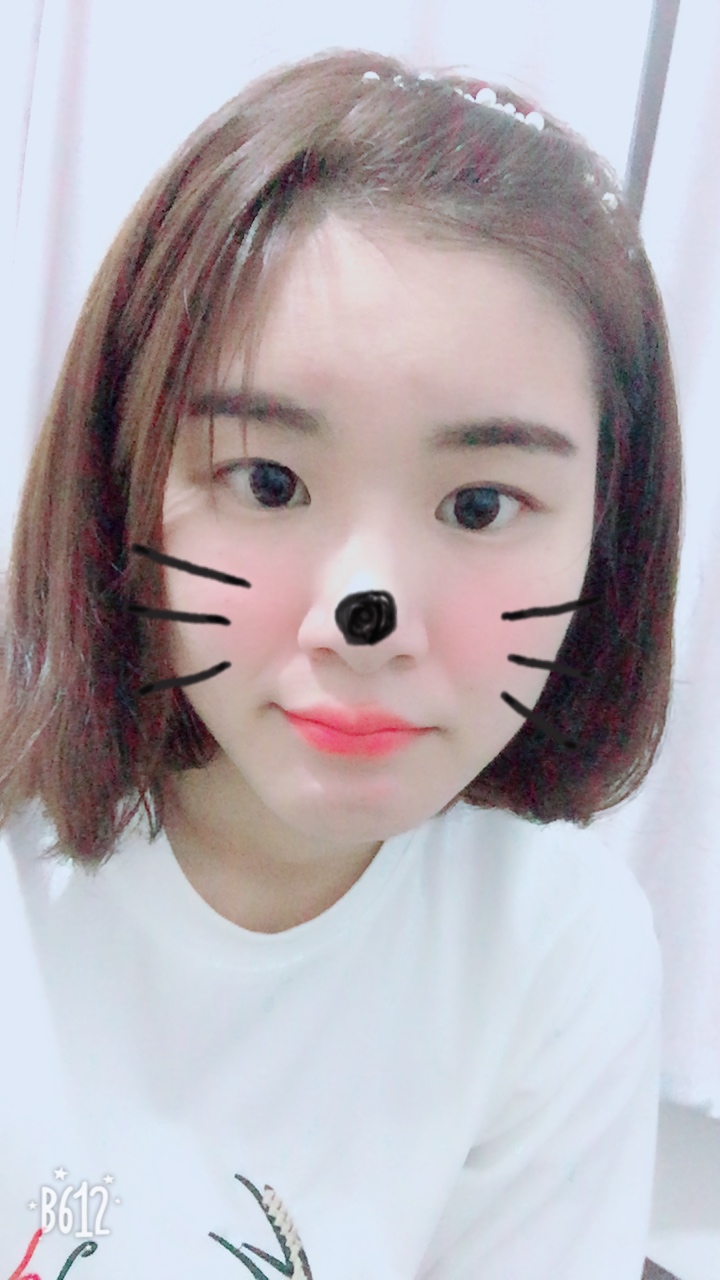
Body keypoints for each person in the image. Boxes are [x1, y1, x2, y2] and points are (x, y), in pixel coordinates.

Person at [0, 46, 681, 1280]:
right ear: (122, 474)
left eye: (480, 505)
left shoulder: (557, 952)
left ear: (609, 530)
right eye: (269, 482)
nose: (368, 613)